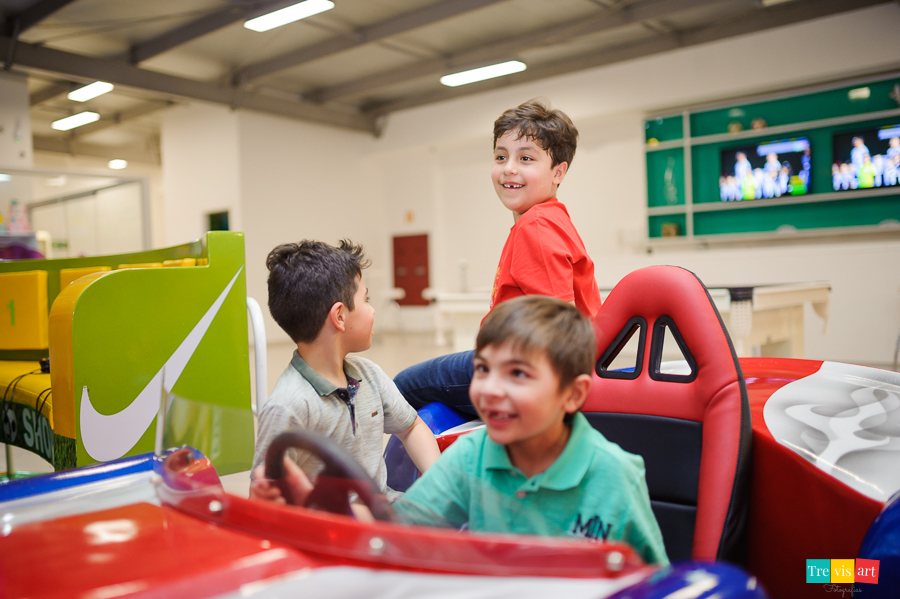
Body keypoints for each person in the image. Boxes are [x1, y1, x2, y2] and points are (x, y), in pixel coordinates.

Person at [263, 297, 669, 566]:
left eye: (518, 374)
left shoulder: (615, 475)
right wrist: (312, 505)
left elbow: (655, 583)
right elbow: (398, 533)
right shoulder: (471, 457)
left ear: (572, 394)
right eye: (482, 370)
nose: (490, 389)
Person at [394, 98, 602, 415]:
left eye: (526, 158)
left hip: (518, 367)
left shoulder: (535, 226)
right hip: (513, 357)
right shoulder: (551, 218)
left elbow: (559, 329)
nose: (509, 168)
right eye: (501, 156)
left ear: (558, 172)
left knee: (402, 387)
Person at [249, 240, 440, 502]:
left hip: (385, 509)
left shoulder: (369, 374)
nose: (372, 309)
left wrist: (439, 484)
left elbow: (411, 427)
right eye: (366, 299)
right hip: (332, 524)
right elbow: (263, 497)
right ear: (339, 316)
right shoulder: (288, 406)